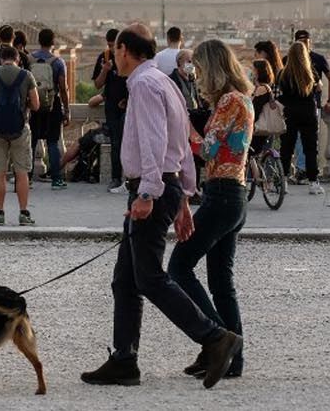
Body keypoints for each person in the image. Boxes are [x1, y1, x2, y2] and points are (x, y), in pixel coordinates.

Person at [80, 23, 242, 390]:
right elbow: (182, 142)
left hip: (151, 189)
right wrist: (183, 195)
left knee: (150, 278)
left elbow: (154, 142)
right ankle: (124, 360)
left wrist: (148, 194)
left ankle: (215, 337)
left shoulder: (142, 84)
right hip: (164, 187)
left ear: (123, 49)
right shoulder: (166, 83)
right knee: (125, 281)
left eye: (114, 51)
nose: (113, 57)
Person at [167, 39, 254, 380]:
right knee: (221, 283)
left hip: (222, 194)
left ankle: (218, 339)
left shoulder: (230, 101)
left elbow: (210, 150)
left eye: (200, 69)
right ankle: (231, 357)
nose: (197, 76)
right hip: (235, 195)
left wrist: (183, 129)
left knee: (179, 266)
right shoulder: (240, 99)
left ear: (213, 68)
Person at [0, 46, 40, 226]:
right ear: (17, 59)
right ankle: (23, 213)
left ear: (0, 59)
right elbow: (36, 105)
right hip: (20, 129)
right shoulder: (26, 75)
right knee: (22, 173)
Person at [277, 41, 323, 195]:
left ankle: (283, 181)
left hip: (289, 113)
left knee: (287, 148)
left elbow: (280, 95)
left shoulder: (283, 74)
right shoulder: (311, 73)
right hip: (308, 113)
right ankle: (313, 183)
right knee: (310, 148)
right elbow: (318, 87)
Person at [30, 28, 70, 190]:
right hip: (52, 106)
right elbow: (63, 87)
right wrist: (66, 109)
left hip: (33, 106)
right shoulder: (58, 62)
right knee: (53, 143)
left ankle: (27, 178)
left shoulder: (28, 60)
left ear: (39, 41)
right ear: (53, 42)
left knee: (30, 143)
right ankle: (56, 180)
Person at [94, 28, 128, 193]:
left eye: (114, 45)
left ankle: (131, 179)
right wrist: (105, 70)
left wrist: (128, 100)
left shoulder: (129, 57)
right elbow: (98, 84)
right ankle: (116, 178)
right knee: (116, 143)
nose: (112, 49)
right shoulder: (104, 57)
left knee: (131, 143)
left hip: (130, 107)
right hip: (112, 108)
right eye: (109, 45)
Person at [249, 60, 277, 156]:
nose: (251, 72)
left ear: (258, 72)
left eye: (253, 70)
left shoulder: (262, 89)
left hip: (258, 130)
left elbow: (255, 110)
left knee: (250, 154)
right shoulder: (265, 87)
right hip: (262, 129)